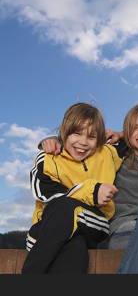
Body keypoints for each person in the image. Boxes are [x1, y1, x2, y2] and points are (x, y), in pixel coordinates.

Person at [39, 103, 138, 274]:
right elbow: (82, 144)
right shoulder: (115, 157)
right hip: (123, 230)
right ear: (126, 132)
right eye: (135, 128)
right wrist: (53, 140)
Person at [22, 102, 126, 274]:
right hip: (51, 229)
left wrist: (119, 134)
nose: (83, 142)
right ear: (64, 131)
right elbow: (45, 193)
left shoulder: (107, 152)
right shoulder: (47, 157)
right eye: (77, 133)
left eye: (91, 136)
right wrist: (93, 191)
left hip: (94, 222)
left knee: (69, 213)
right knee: (75, 248)